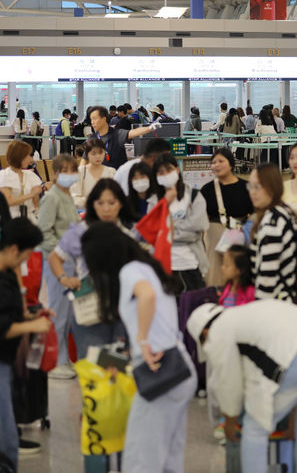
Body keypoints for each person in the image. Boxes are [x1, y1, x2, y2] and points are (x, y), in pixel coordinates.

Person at [80, 222, 196, 473]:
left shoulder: (129, 271)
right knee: (168, 457)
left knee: (142, 459)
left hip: (160, 371)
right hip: (178, 367)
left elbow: (147, 296)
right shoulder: (146, 267)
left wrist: (142, 341)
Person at [186, 300, 297, 473]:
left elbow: (228, 383)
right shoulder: (246, 315)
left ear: (204, 333)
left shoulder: (218, 331)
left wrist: (229, 422)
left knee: (255, 428)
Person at [49, 179, 135, 358]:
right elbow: (55, 257)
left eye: (111, 203)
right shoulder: (81, 231)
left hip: (123, 306)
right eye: (100, 203)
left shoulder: (128, 233)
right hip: (89, 305)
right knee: (91, 365)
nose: (106, 208)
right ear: (92, 204)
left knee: (119, 366)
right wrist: (64, 278)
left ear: (121, 203)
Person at [0, 217, 50, 473]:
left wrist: (30, 316)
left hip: (6, 363)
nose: (25, 262)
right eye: (26, 255)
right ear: (13, 250)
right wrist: (32, 327)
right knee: (6, 436)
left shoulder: (7, 274)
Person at [38, 154, 81, 379]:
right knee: (59, 313)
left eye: (72, 170)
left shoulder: (67, 196)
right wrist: (59, 254)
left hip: (71, 262)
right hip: (56, 262)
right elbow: (43, 232)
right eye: (64, 170)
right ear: (55, 174)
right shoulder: (51, 197)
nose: (69, 174)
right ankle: (56, 360)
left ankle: (64, 356)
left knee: (68, 313)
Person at [149, 153, 209, 293]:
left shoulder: (194, 195)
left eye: (168, 170)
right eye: (161, 172)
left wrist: (167, 231)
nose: (165, 175)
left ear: (177, 169)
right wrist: (166, 204)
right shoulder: (154, 201)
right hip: (163, 266)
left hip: (191, 264)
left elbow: (198, 228)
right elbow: (152, 231)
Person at [200, 148, 253, 287]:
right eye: (214, 162)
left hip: (240, 236)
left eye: (221, 161)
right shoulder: (207, 190)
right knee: (215, 274)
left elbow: (254, 213)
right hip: (214, 237)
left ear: (231, 164)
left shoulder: (246, 187)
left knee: (239, 274)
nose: (216, 165)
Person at [248, 164, 297, 301]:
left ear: (272, 188)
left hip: (275, 305)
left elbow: (267, 277)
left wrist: (260, 308)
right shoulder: (282, 211)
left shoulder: (273, 223)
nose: (252, 192)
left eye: (257, 187)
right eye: (250, 186)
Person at [89, 106, 160, 169]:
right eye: (91, 119)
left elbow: (133, 132)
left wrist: (149, 128)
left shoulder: (117, 134)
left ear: (103, 119)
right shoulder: (92, 139)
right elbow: (85, 160)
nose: (92, 122)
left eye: (95, 119)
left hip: (117, 175)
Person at [0, 140, 43, 222]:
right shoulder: (4, 176)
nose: (31, 160)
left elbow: (36, 205)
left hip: (31, 219)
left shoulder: (31, 176)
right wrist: (31, 194)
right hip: (11, 219)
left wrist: (40, 218)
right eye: (28, 156)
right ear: (19, 157)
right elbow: (8, 201)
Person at [71, 139, 117, 208]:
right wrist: (91, 202)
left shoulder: (111, 172)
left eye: (100, 152)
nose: (98, 156)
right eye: (93, 153)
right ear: (87, 154)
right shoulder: (80, 172)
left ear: (105, 153)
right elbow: (74, 197)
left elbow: (116, 195)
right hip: (85, 212)